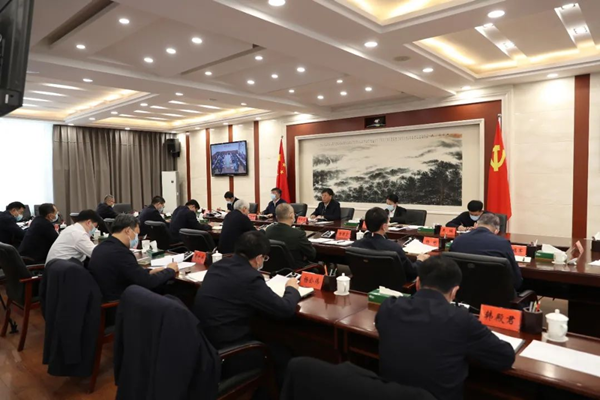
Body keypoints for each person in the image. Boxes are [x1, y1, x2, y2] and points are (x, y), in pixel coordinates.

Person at [376, 256, 515, 400]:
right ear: (454, 292)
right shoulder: (461, 319)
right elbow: (505, 357)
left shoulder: (388, 307)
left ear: (417, 283)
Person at [194, 231, 300, 386]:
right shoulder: (250, 278)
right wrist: (292, 289)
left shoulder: (218, 265)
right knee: (283, 355)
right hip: (230, 353)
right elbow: (285, 310)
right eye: (265, 258)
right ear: (258, 258)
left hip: (206, 345)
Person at [89, 214, 178, 301]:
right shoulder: (121, 253)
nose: (137, 238)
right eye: (136, 234)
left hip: (108, 295)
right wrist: (170, 270)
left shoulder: (101, 247)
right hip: (120, 302)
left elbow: (132, 273)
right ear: (128, 231)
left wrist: (150, 271)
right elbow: (148, 282)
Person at [449, 213, 523, 290]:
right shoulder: (502, 243)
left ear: (476, 225)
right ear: (496, 231)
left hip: (462, 291)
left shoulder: (458, 240)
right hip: (495, 293)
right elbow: (516, 280)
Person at [351, 207, 428, 281]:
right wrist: (420, 260)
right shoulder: (394, 248)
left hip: (365, 284)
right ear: (384, 227)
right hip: (392, 286)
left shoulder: (355, 245)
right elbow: (412, 272)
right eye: (388, 222)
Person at [265, 203, 316, 268]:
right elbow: (312, 255)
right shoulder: (298, 234)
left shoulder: (268, 230)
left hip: (273, 269)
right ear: (291, 215)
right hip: (296, 270)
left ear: (277, 217)